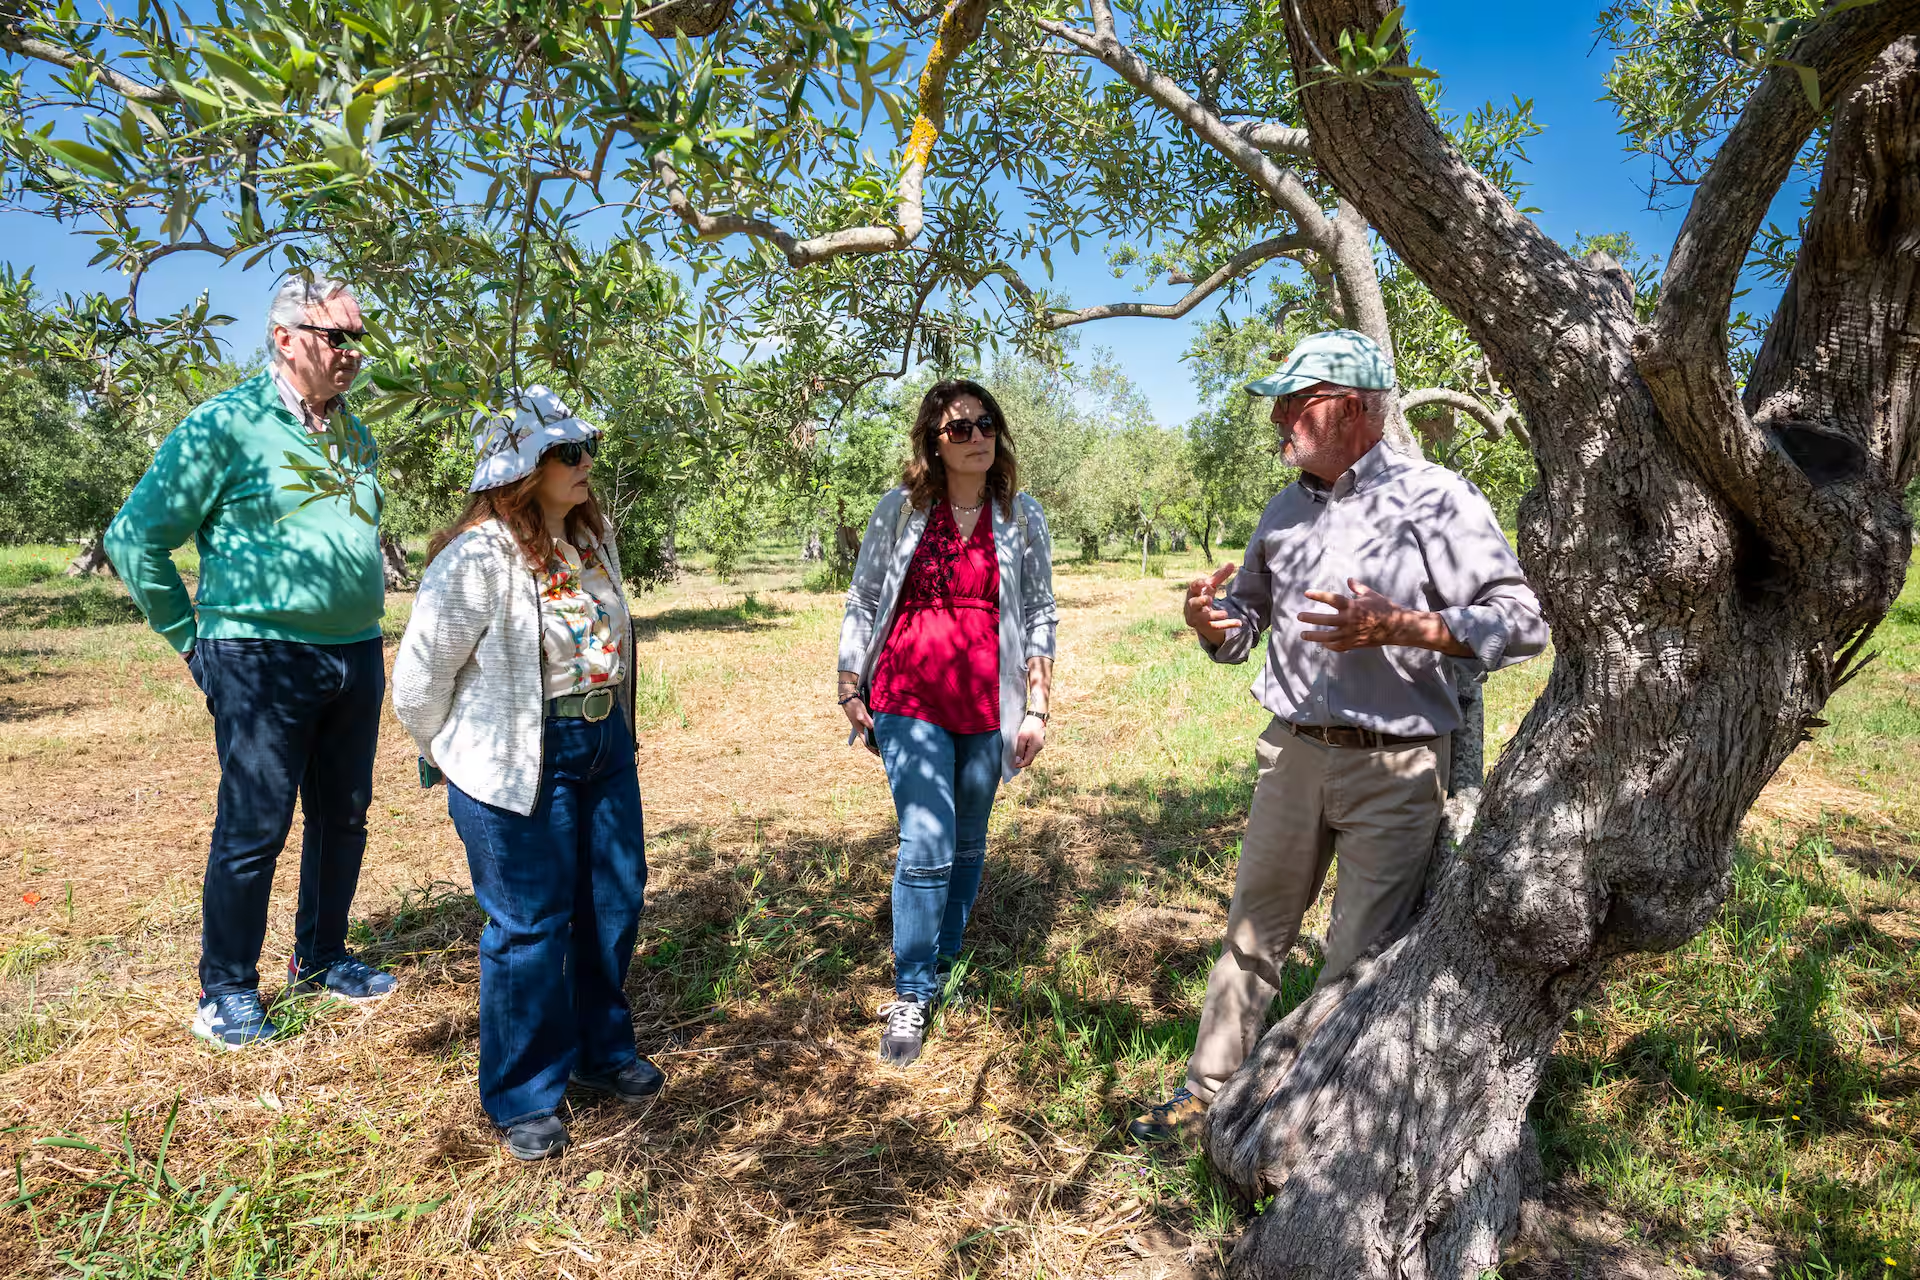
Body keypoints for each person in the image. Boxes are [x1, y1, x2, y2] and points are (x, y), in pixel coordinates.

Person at [1128, 330, 1548, 1142]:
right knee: (1253, 933)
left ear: (1354, 408)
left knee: (1356, 960)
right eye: (1278, 402)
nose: (1278, 416)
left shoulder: (1437, 498)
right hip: (1291, 753)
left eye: (1297, 400)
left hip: (1393, 768)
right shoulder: (1285, 507)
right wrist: (1211, 622)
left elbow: (1522, 619)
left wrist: (1409, 626)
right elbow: (1246, 618)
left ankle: (1300, 1123)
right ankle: (1207, 1092)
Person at [105, 275, 395, 1051]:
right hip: (260, 656)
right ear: (287, 337)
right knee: (256, 826)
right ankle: (226, 988)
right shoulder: (223, 426)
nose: (353, 354)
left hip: (356, 652)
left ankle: (323, 957)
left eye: (359, 338)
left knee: (345, 814)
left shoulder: (354, 434)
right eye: (340, 337)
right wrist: (192, 640)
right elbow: (135, 539)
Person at [391, 388, 659, 1161]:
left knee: (612, 903)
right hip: (516, 760)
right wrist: (453, 754)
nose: (586, 464)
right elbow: (417, 684)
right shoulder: (477, 557)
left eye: (587, 449)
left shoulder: (590, 534)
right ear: (521, 469)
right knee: (529, 925)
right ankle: (524, 1094)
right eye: (568, 453)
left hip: (605, 745)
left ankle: (602, 1054)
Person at [838, 379, 1058, 1068]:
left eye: (985, 424)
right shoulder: (902, 511)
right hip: (907, 693)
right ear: (933, 442)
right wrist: (849, 679)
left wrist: (1040, 705)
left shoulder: (1021, 516)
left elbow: (1043, 612)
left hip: (989, 700)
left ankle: (944, 957)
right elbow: (866, 593)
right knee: (926, 839)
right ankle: (910, 988)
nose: (976, 437)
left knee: (967, 837)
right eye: (959, 428)